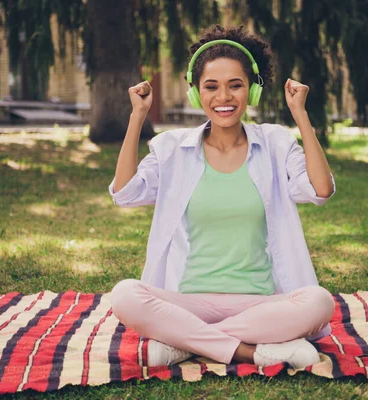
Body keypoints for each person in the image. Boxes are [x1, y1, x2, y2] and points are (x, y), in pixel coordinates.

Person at [107, 25, 336, 369]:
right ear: (196, 94)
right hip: (189, 300)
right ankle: (252, 351)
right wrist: (137, 116)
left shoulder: (275, 143)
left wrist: (300, 115)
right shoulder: (173, 149)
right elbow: (125, 194)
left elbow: (321, 190)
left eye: (236, 86)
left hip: (261, 303)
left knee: (319, 302)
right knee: (125, 294)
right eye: (211, 87)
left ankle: (184, 344)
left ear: (252, 92)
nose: (223, 97)